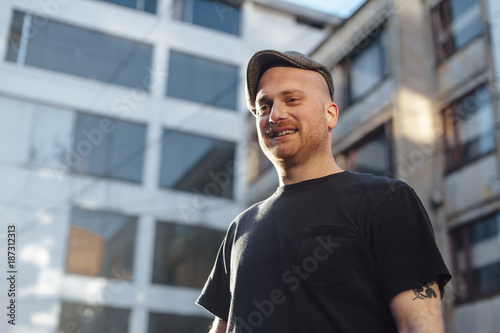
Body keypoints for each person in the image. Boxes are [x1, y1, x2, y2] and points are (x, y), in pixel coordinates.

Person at [196, 49, 451, 333]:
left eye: (291, 99)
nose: (274, 115)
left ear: (330, 114)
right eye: (264, 106)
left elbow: (419, 326)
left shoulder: (387, 201)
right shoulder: (239, 228)